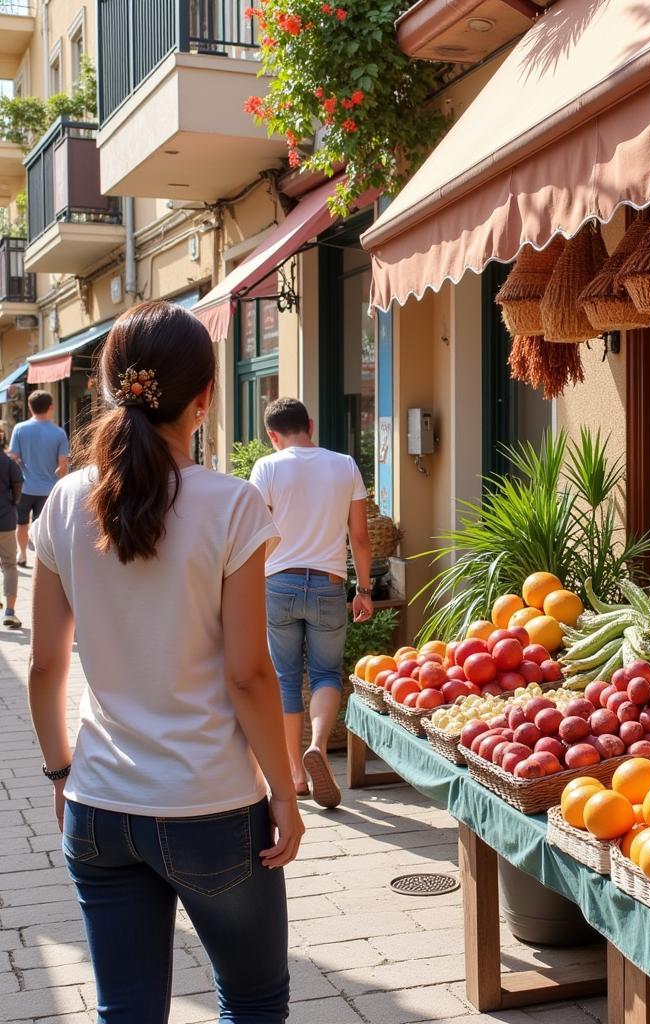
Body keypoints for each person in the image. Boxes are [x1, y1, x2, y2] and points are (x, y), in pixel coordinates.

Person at [27, 301, 303, 1024]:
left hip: (99, 806)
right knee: (252, 1002)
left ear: (114, 386)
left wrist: (61, 771)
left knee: (126, 1011)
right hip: (210, 806)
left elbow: (45, 666)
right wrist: (284, 790)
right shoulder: (232, 505)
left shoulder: (62, 502)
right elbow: (249, 673)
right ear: (205, 397)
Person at [250, 397, 373, 808]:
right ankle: (318, 747)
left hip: (278, 584)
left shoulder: (266, 467)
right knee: (325, 674)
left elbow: (256, 536)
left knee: (285, 677)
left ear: (272, 435)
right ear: (311, 425)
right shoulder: (344, 465)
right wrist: (364, 589)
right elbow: (360, 536)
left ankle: (296, 776)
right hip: (328, 583)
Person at [10, 389, 69, 567]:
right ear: (51, 407)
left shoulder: (19, 429)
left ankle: (21, 554)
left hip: (24, 487)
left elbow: (13, 457)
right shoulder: (59, 433)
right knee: (43, 527)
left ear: (30, 407)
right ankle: (41, 561)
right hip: (49, 489)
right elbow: (63, 465)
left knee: (21, 523)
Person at [0, 431, 24, 627]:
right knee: (9, 565)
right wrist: (12, 503)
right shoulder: (8, 463)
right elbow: (18, 486)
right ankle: (9, 611)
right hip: (5, 519)